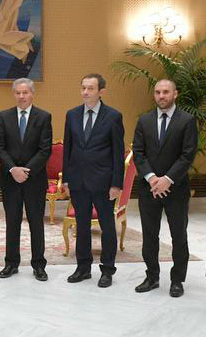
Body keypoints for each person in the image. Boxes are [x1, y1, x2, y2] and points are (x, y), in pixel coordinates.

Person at [132, 79, 198, 297]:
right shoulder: (144, 120)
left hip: (176, 188)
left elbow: (187, 154)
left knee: (178, 235)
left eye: (166, 92)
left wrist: (167, 179)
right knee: (149, 235)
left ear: (175, 94)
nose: (161, 96)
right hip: (149, 188)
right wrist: (152, 178)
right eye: (158, 92)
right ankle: (151, 276)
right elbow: (138, 154)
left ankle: (177, 280)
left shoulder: (187, 121)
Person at [62, 73, 125, 288]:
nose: (85, 92)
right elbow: (68, 150)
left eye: (90, 88)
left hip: (103, 183)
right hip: (78, 182)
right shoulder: (71, 115)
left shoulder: (113, 116)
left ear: (101, 92)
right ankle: (83, 267)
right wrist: (67, 179)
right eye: (83, 88)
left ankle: (107, 269)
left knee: (107, 227)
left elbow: (118, 153)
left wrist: (117, 184)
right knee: (82, 226)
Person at [0, 78, 52, 281]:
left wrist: (26, 171)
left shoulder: (44, 117)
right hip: (10, 180)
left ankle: (39, 265)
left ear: (32, 94)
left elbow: (45, 149)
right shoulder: (4, 116)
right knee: (12, 222)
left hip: (34, 180)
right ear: (14, 94)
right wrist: (12, 169)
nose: (21, 96)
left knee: (36, 223)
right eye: (18, 92)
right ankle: (11, 263)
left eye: (25, 92)